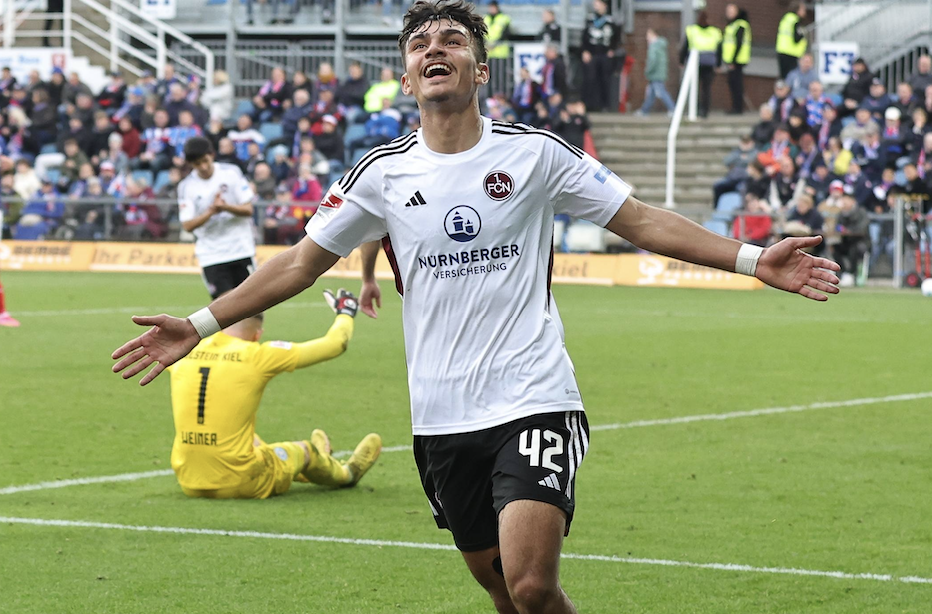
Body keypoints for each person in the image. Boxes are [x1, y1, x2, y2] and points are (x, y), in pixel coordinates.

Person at [111, 4, 840, 613]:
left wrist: (754, 259)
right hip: (440, 416)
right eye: (420, 44)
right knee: (499, 588)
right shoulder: (380, 174)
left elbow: (642, 220)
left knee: (530, 584)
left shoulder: (536, 154)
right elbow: (301, 262)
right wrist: (200, 325)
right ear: (406, 77)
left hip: (533, 396)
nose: (436, 49)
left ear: (480, 69)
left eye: (453, 41)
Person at [167, 290, 380, 499]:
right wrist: (345, 313)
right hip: (243, 481)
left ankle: (311, 465)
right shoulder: (257, 355)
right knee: (304, 450)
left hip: (188, 480)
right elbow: (335, 344)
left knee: (253, 441)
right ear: (257, 335)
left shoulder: (184, 352)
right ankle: (346, 473)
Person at [177, 137, 258, 299]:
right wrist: (211, 212)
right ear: (191, 164)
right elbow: (187, 225)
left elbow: (248, 209)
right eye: (197, 164)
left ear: (212, 155)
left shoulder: (231, 172)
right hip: (211, 255)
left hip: (241, 249)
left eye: (205, 161)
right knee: (225, 308)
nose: (203, 167)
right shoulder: (186, 186)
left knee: (252, 307)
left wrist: (225, 207)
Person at [681, 11, 721, 119]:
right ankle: (704, 111)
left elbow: (685, 47)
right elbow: (719, 49)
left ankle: (696, 109)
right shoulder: (715, 31)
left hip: (695, 63)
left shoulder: (692, 30)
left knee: (696, 88)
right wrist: (718, 64)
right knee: (706, 89)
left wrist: (681, 61)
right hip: (709, 63)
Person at [581, 0, 619, 113]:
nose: (596, 6)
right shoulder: (590, 19)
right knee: (590, 79)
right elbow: (584, 37)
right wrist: (584, 51)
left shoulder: (610, 21)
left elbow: (616, 37)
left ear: (604, 5)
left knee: (605, 80)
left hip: (604, 54)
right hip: (592, 54)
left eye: (598, 4)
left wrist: (612, 49)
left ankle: (605, 105)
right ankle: (589, 105)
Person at [636, 28, 674, 116]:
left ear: (654, 34)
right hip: (659, 72)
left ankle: (673, 109)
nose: (647, 38)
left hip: (655, 74)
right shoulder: (660, 45)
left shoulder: (654, 46)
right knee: (652, 93)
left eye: (648, 35)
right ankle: (644, 110)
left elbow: (652, 60)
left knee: (662, 92)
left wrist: (648, 71)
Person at [722, 4, 751, 115]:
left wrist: (733, 60)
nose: (728, 14)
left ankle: (737, 108)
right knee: (732, 83)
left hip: (737, 61)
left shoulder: (740, 25)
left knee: (736, 84)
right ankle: (735, 107)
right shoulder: (732, 25)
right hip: (731, 60)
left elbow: (739, 43)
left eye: (731, 11)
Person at [776, 1, 807, 79]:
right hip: (792, 53)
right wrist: (803, 34)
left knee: (784, 77)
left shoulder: (786, 18)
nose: (804, 12)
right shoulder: (795, 21)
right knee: (792, 78)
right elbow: (796, 39)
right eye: (803, 9)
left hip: (782, 51)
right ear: (797, 9)